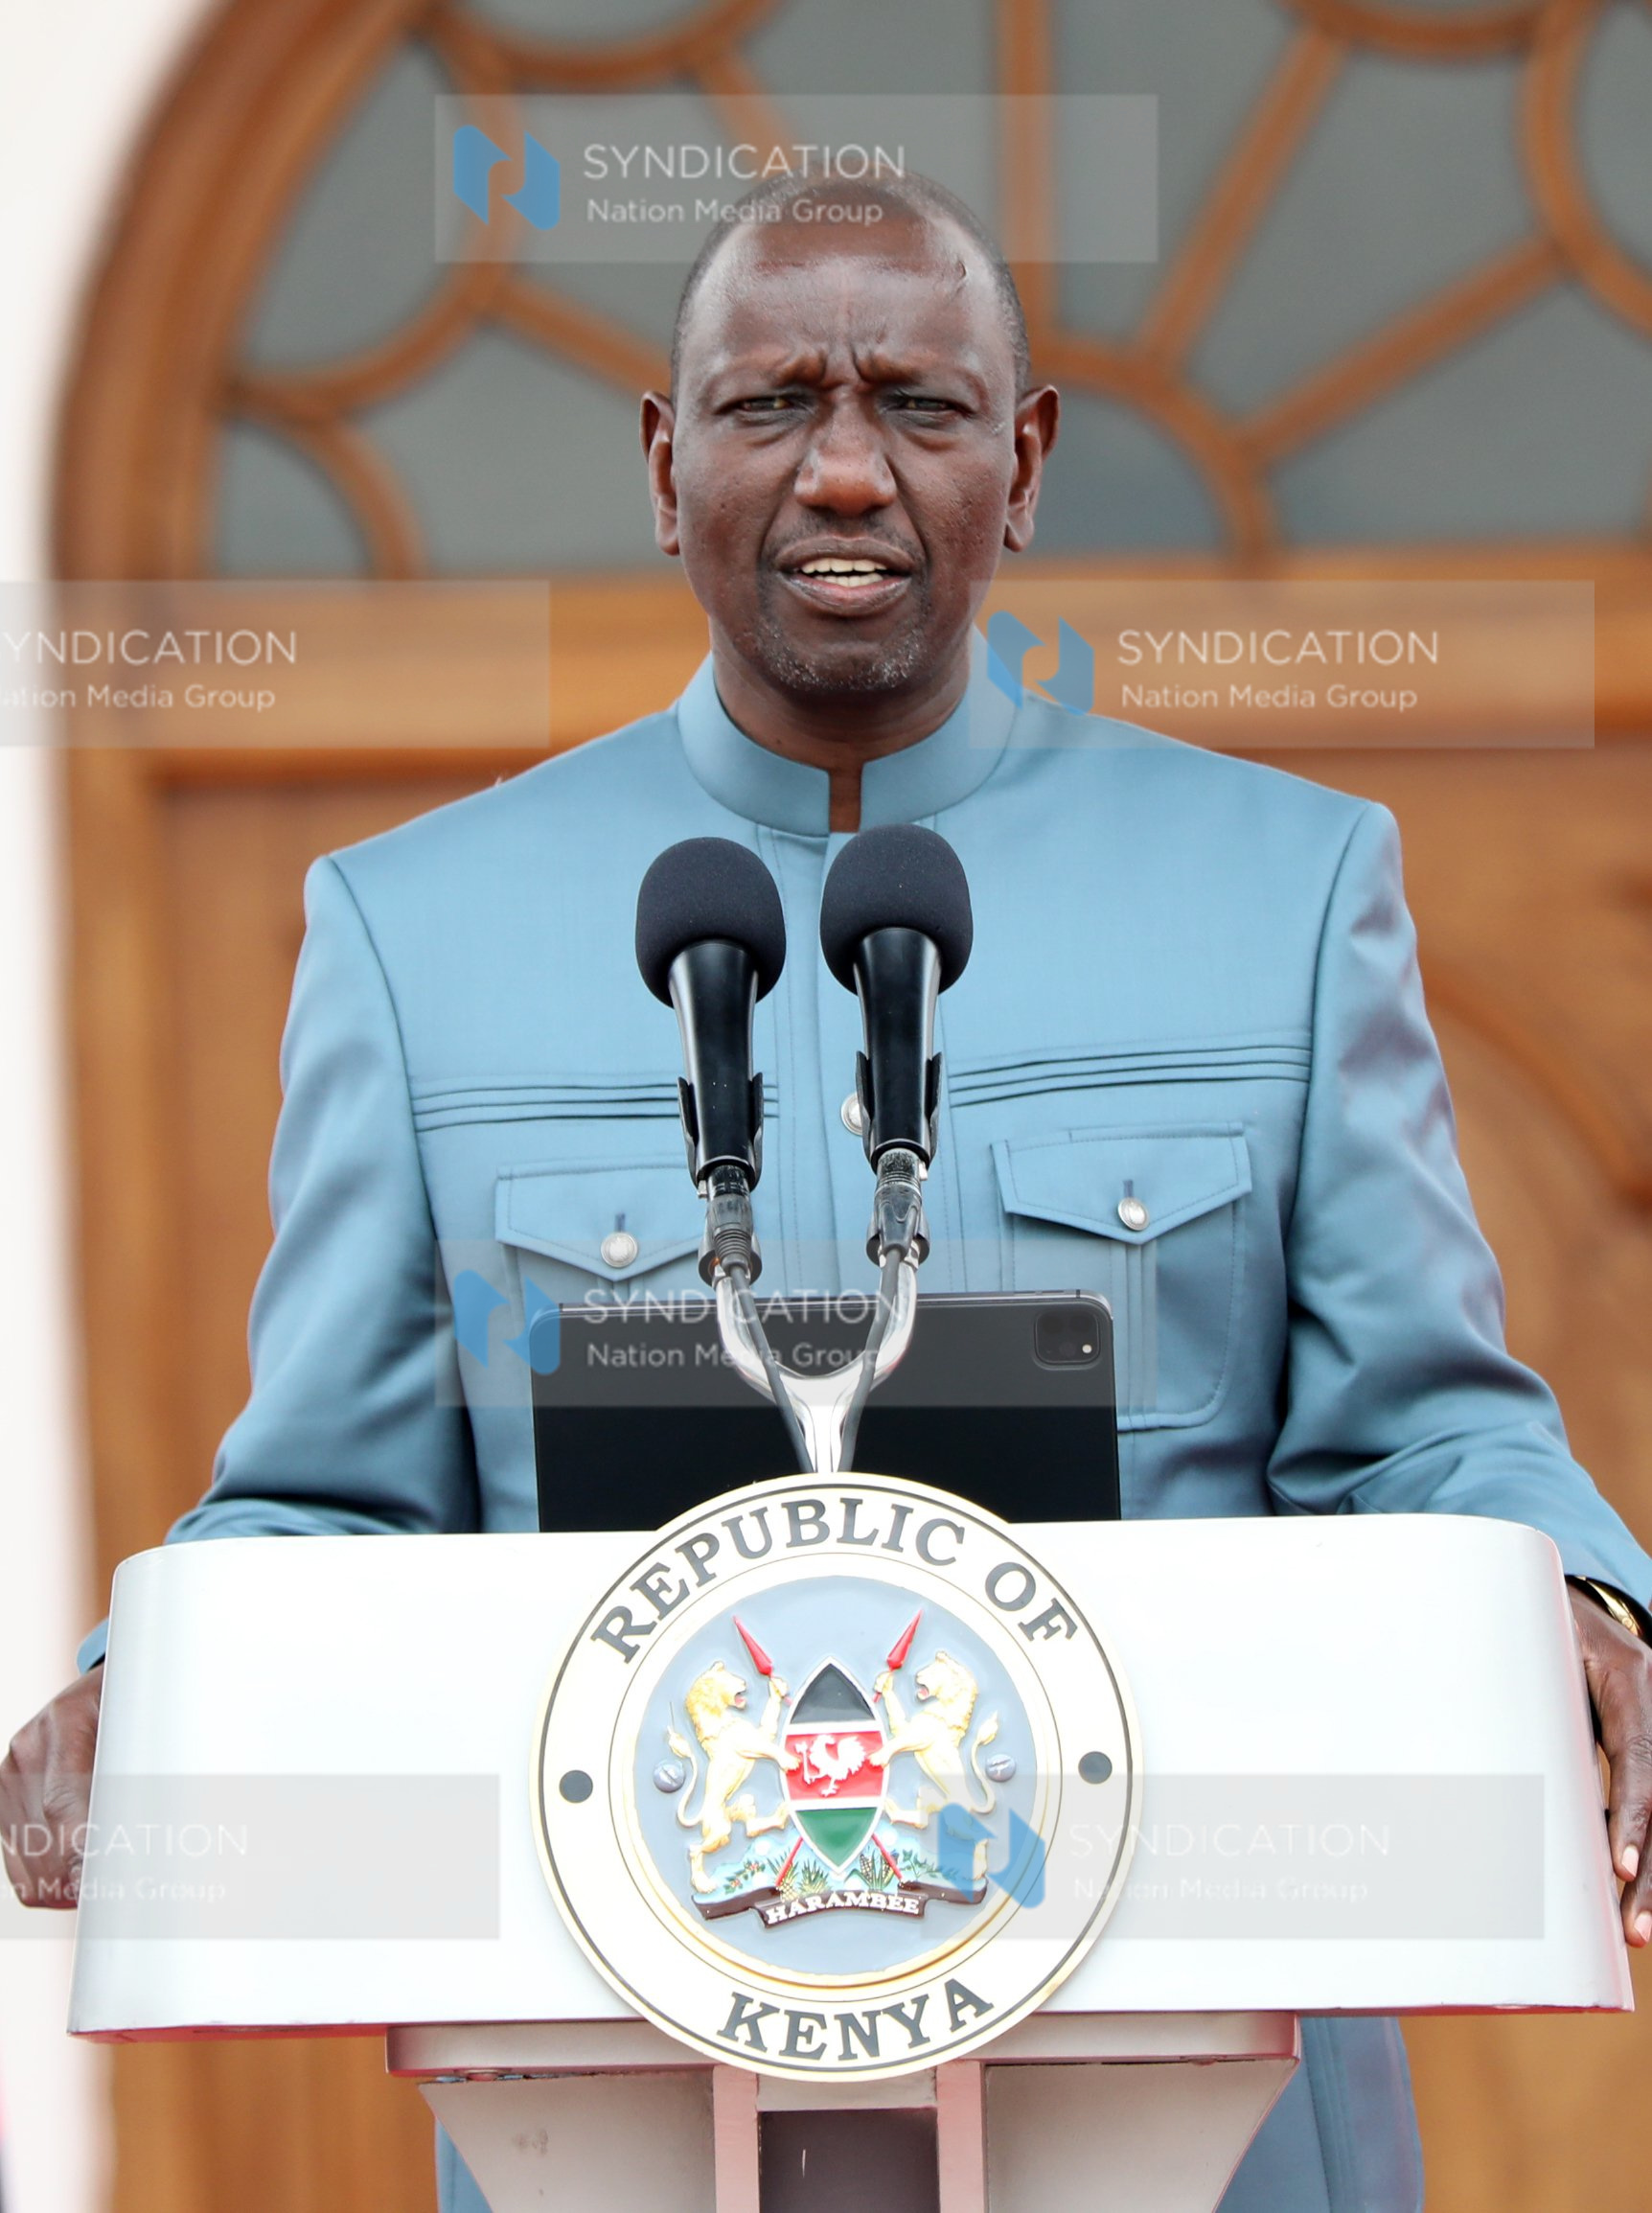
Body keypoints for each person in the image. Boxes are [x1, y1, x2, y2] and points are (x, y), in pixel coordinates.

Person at [6, 171, 1652, 2213]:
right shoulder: (412, 935)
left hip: (1203, 2114)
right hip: (626, 2099)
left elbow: (1429, 1424)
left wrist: (1576, 1596)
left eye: (925, 408)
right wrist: (134, 1682)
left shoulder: (1285, 895)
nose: (847, 473)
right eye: (774, 403)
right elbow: (333, 1501)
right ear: (663, 454)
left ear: (1025, 462)